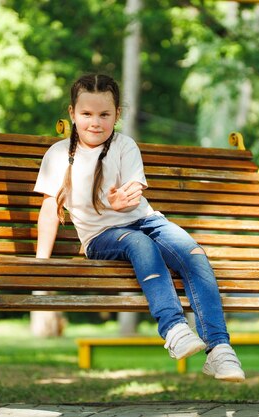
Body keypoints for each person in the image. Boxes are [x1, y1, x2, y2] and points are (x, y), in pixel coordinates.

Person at [34, 73, 244, 382]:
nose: (95, 122)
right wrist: (41, 264)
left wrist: (123, 201)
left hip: (145, 220)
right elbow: (50, 210)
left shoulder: (124, 146)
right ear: (71, 113)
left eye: (104, 114)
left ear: (117, 115)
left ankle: (219, 349)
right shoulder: (57, 155)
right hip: (101, 237)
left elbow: (133, 192)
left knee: (193, 252)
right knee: (138, 243)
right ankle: (173, 329)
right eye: (87, 114)